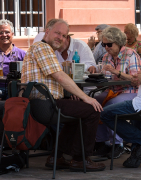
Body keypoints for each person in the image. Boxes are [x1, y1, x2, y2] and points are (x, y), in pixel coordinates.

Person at [21, 18, 106, 172]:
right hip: (45, 105)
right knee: (93, 109)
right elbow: (60, 76)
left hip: (41, 103)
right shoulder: (42, 48)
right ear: (47, 32)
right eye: (57, 33)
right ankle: (81, 159)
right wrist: (87, 97)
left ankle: (57, 157)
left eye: (64, 35)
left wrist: (71, 94)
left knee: (77, 113)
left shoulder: (42, 49)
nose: (60, 37)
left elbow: (53, 80)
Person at [94, 26, 141, 159]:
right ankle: (102, 142)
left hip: (130, 91)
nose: (106, 47)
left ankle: (117, 144)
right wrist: (95, 72)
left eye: (109, 44)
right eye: (104, 44)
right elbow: (104, 77)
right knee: (93, 102)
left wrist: (116, 72)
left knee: (109, 105)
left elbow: (136, 81)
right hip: (112, 90)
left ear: (118, 42)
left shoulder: (130, 54)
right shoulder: (105, 57)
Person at [100, 71, 141, 168]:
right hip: (136, 99)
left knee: (104, 114)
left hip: (137, 103)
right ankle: (135, 155)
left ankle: (137, 144)